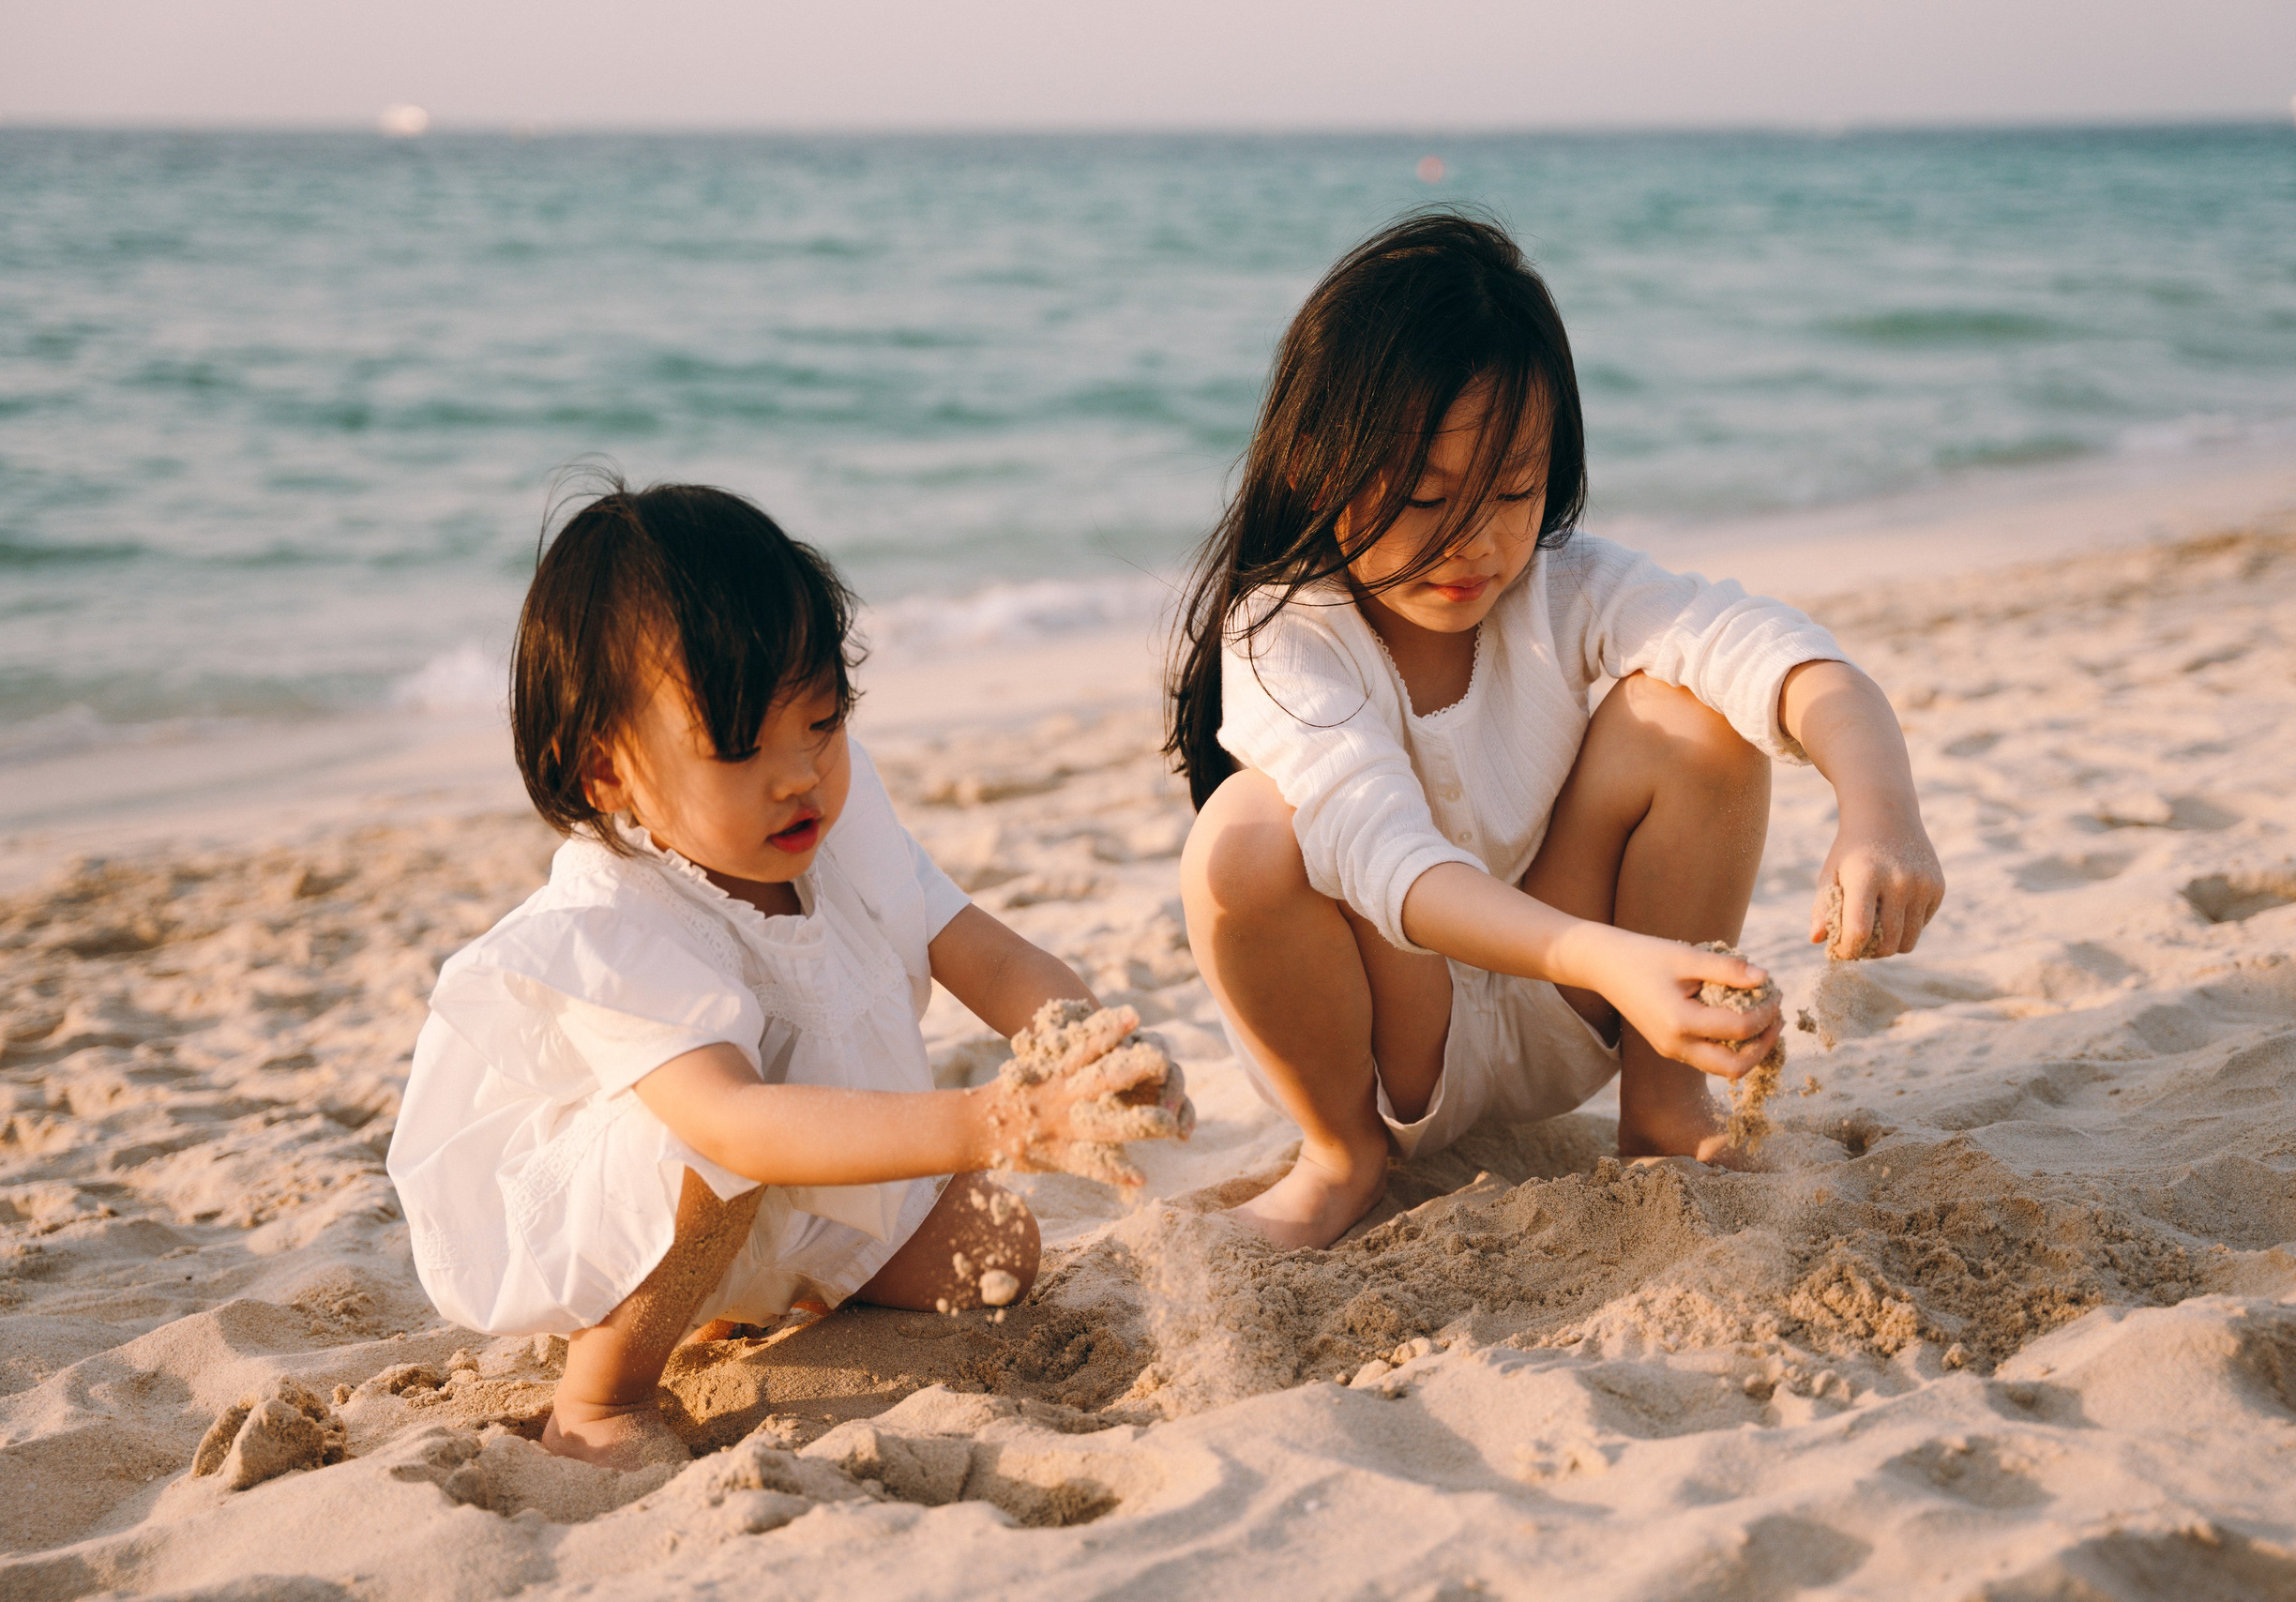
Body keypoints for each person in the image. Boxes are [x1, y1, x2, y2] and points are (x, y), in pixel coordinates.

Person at [1168, 212, 1944, 1249]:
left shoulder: (1565, 586)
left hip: (1565, 1004)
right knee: (1245, 837)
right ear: (1316, 467)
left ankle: (1664, 1111)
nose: (1472, 540)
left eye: (1512, 488)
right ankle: (1341, 1161)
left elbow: (1766, 648)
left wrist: (1877, 809)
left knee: (1694, 714)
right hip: (1390, 1040)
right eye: (1424, 495)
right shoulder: (1282, 633)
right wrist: (1610, 960)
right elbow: (1383, 857)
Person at [389, 480, 1183, 1468]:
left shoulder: (838, 830)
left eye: (820, 719)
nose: (799, 772)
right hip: (665, 1201)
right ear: (607, 773)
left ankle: (765, 1293)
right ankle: (597, 1395)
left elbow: (982, 946)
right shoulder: (615, 921)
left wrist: (1089, 1048)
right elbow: (732, 1124)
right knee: (710, 1162)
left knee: (998, 1251)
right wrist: (1005, 1119)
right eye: (739, 745)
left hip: (803, 1186)